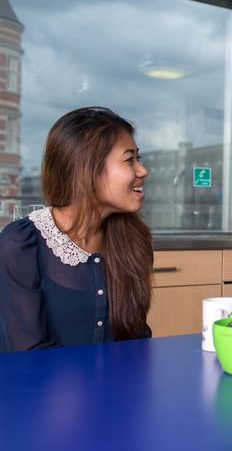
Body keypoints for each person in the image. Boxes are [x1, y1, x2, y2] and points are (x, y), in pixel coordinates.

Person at [0, 107, 154, 353]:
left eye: (139, 158)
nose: (142, 171)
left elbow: (137, 341)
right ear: (88, 168)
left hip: (122, 389)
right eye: (129, 159)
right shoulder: (20, 244)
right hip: (39, 391)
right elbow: (27, 356)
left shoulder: (134, 240)